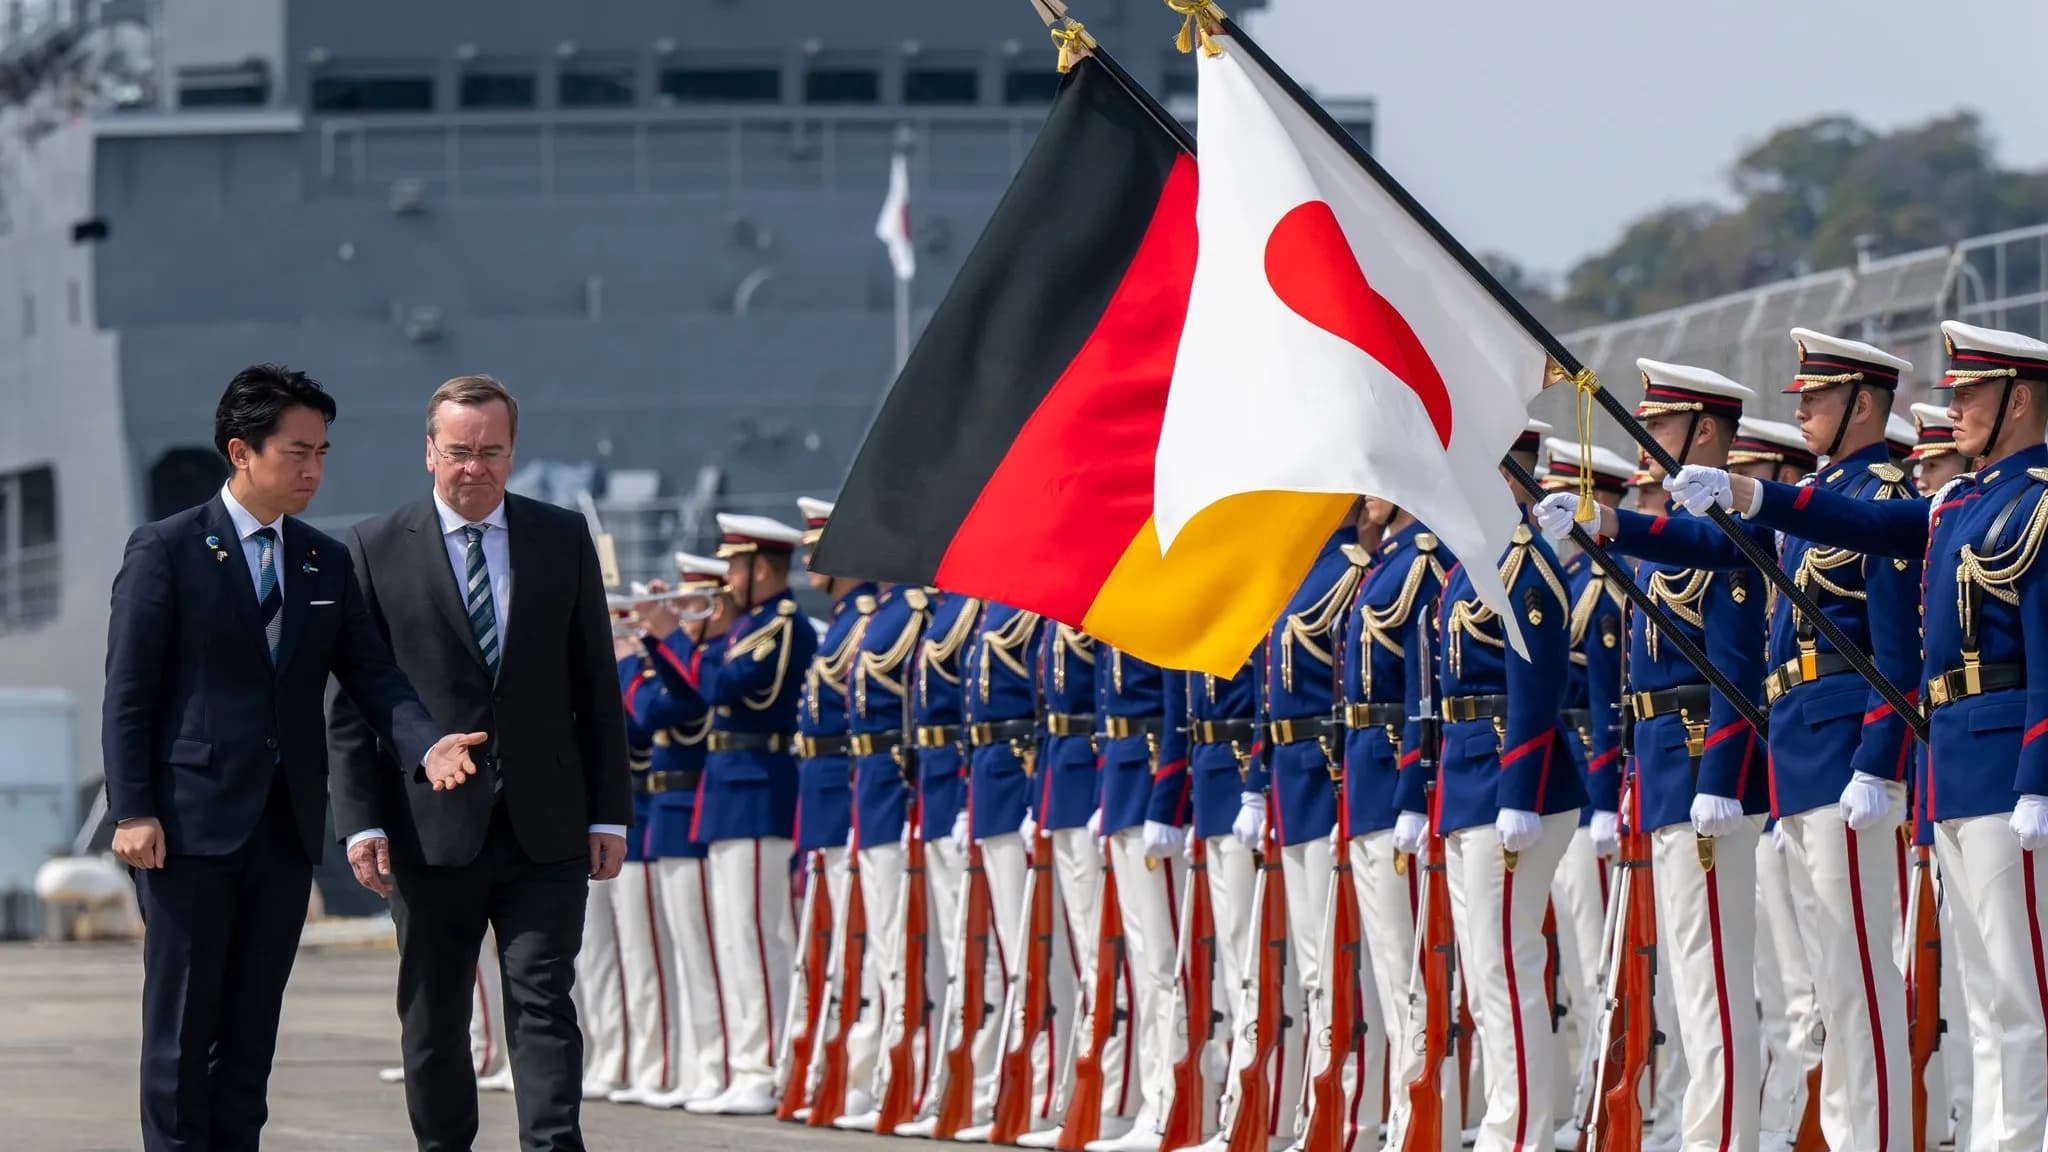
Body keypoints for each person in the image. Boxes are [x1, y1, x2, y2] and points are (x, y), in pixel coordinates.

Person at [1662, 319, 2048, 1152]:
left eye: (1972, 393)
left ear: (2019, 400)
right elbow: (1861, 525)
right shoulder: (1956, 503)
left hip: (2001, 768)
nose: (1954, 407)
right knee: (1975, 1002)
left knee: (2015, 1002)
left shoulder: (2037, 503)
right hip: (1951, 765)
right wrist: (1748, 496)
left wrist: (2038, 774)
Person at [1547, 332, 1921, 1151]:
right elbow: (1707, 545)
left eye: (1817, 397)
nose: (1801, 409)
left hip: (1843, 759)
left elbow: (1894, 650)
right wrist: (1603, 521)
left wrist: (1877, 761)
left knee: (1857, 982)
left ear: (1862, 404)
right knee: (1831, 984)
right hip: (1799, 761)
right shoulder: (1814, 497)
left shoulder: (1875, 493)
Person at [105, 364, 484, 1152]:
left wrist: (425, 743)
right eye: (297, 452)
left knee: (251, 1037)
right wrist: (133, 809)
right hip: (186, 830)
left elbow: (374, 676)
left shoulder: (322, 560)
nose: (313, 470)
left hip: (283, 832)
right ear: (241, 451)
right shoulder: (167, 549)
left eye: (322, 453)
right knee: (182, 1033)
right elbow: (130, 693)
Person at [326, 373, 629, 1152]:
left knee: (544, 1003)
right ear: (429, 452)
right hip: (427, 832)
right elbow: (353, 708)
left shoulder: (561, 539)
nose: (475, 467)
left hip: (545, 828)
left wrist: (609, 814)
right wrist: (361, 824)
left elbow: (596, 687)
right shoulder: (372, 548)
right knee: (433, 1018)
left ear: (512, 452)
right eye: (460, 451)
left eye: (491, 451)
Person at [1404, 418, 1587, 1148]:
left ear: (1509, 476)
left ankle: (1520, 1136)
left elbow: (1536, 687)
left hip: (1514, 783)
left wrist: (1518, 794)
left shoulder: (1523, 563)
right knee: (1486, 972)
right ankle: (1511, 1124)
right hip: (1472, 780)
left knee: (1507, 968)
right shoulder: (1473, 562)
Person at [646, 512, 817, 1116]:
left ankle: (764, 1067)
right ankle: (746, 1063)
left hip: (758, 791)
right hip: (728, 793)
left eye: (736, 567)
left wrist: (674, 636)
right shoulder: (748, 626)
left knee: (756, 937)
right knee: (733, 941)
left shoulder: (781, 624)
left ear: (761, 569)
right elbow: (693, 692)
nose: (727, 581)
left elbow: (727, 686)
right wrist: (661, 642)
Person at [1339, 496, 1449, 1149]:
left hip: (1390, 777)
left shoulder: (1421, 561)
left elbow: (1422, 691)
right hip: (1363, 775)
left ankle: (1420, 1120)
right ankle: (1400, 1117)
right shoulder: (1383, 562)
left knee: (1408, 967)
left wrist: (1412, 788)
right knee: (1384, 964)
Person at [1534, 439, 1633, 1146]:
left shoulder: (1600, 587)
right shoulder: (1571, 577)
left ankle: (1613, 1091)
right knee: (1574, 951)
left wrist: (1601, 800)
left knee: (1601, 954)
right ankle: (1586, 1092)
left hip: (1591, 785)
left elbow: (1605, 711)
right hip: (1566, 773)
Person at [633, 554, 735, 1110]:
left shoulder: (709, 664)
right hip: (670, 818)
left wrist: (641, 649)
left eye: (691, 603)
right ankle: (697, 1066)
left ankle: (713, 1066)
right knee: (679, 957)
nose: (681, 613)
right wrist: (654, 640)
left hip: (692, 812)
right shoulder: (683, 662)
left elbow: (652, 713)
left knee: (706, 956)